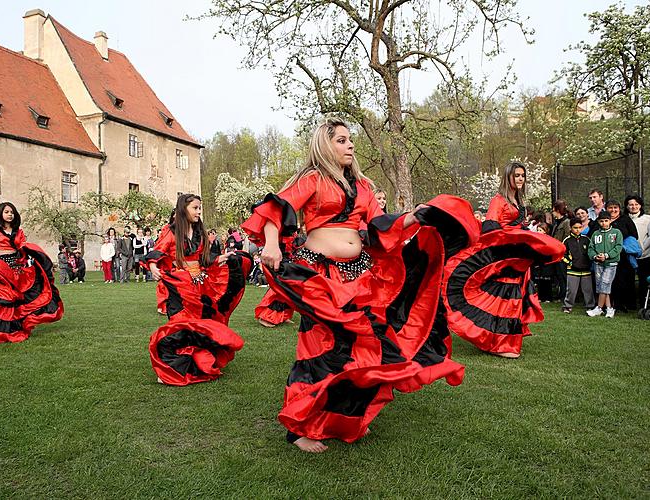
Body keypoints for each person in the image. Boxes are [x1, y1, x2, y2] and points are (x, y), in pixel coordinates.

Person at [243, 119, 476, 453]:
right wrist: (271, 245)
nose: (350, 145)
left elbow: (378, 227)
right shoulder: (314, 179)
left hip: (359, 275)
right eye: (341, 140)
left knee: (365, 347)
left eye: (350, 140)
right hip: (320, 274)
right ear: (325, 146)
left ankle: (345, 418)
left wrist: (412, 218)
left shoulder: (364, 187)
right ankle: (299, 427)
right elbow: (276, 208)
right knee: (320, 346)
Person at [443, 161, 565, 358]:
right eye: (516, 175)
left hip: (517, 257)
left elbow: (519, 227)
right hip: (505, 256)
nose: (520, 179)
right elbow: (491, 228)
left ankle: (500, 340)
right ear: (508, 176)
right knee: (506, 297)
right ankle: (501, 343)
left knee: (511, 297)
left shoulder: (519, 202)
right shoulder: (498, 201)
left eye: (522, 176)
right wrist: (509, 244)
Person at [146, 194, 253, 386]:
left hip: (199, 285)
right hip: (179, 288)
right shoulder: (171, 233)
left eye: (199, 208)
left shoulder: (200, 233)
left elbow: (205, 260)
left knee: (202, 323)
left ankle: (197, 363)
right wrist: (153, 267)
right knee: (181, 325)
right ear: (183, 209)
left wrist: (223, 258)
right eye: (195, 208)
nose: (198, 212)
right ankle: (172, 368)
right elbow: (157, 252)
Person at [0, 202, 63, 344]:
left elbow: (22, 248)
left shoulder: (19, 232)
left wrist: (37, 256)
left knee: (15, 299)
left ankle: (5, 331)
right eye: (6, 212)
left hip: (16, 269)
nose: (10, 215)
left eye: (12, 212)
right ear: (0, 214)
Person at [587, 210, 623, 318]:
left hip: (611, 263)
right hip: (598, 264)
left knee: (605, 283)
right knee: (601, 286)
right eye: (601, 221)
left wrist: (607, 255)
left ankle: (598, 308)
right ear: (598, 221)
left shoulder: (616, 232)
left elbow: (618, 247)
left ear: (610, 220)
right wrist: (595, 256)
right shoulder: (595, 234)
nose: (604, 223)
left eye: (606, 221)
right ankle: (609, 309)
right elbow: (591, 248)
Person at [605, 199, 639, 312]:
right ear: (606, 209)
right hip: (607, 257)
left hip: (624, 256)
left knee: (626, 280)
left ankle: (628, 304)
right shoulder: (603, 220)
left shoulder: (625, 219)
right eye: (610, 207)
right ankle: (612, 304)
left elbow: (634, 235)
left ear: (619, 209)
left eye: (615, 208)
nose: (613, 210)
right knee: (611, 281)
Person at [562, 217, 595, 314]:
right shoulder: (567, 240)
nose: (578, 230)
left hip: (586, 270)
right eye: (575, 228)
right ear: (570, 228)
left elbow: (591, 252)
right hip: (572, 270)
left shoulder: (586, 239)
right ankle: (567, 306)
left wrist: (589, 262)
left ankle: (590, 306)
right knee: (571, 290)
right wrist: (570, 263)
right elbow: (562, 255)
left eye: (580, 227)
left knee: (588, 290)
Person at [626, 195, 650, 308]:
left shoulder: (647, 219)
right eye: (631, 204)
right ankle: (630, 304)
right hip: (628, 256)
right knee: (628, 281)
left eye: (636, 204)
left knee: (643, 281)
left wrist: (642, 249)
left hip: (645, 255)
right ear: (627, 206)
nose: (633, 206)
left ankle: (643, 304)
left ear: (640, 205)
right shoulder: (624, 219)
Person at [551, 200, 571, 301]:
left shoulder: (566, 222)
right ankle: (561, 294)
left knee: (563, 275)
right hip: (556, 253)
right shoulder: (557, 223)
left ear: (557, 210)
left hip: (562, 253)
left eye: (553, 210)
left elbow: (568, 237)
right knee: (559, 275)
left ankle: (565, 295)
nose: (552, 212)